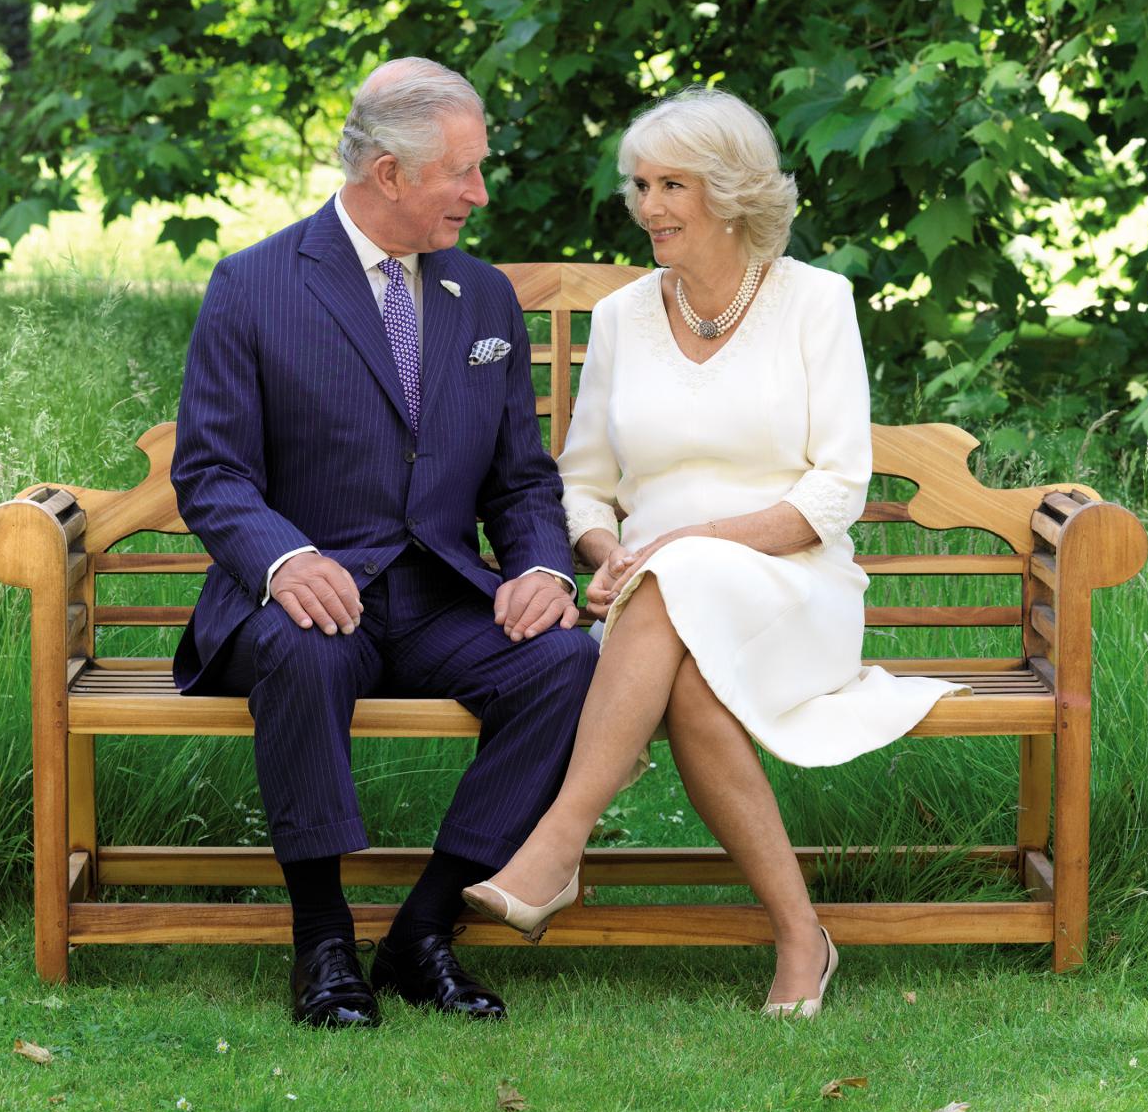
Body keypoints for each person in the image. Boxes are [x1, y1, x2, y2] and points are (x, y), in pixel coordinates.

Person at [463, 87, 964, 1018]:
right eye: (641, 185)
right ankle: (799, 936)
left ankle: (559, 839)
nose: (649, 206)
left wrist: (677, 545)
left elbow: (834, 491)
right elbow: (582, 481)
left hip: (794, 590)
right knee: (689, 672)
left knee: (677, 570)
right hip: (661, 605)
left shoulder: (816, 302)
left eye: (673, 185)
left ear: (731, 193)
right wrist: (609, 551)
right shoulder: (620, 318)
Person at [170, 57, 598, 1028]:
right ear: (390, 175)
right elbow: (211, 474)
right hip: (303, 599)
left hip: (436, 599)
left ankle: (424, 929)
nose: (481, 194)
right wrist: (284, 558)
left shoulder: (482, 298)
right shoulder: (253, 287)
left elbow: (521, 478)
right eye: (464, 172)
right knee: (306, 650)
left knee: (566, 663)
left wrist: (539, 566)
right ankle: (322, 944)